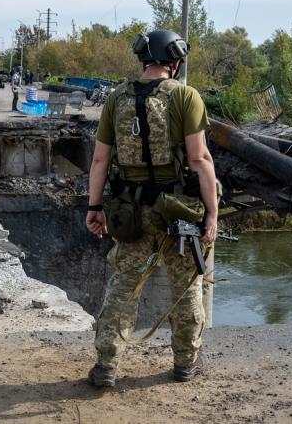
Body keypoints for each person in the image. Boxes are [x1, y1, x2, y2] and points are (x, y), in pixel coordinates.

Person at [85, 29, 220, 388]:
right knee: (187, 287)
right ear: (174, 61)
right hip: (179, 214)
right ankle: (185, 364)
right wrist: (212, 214)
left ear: (145, 59)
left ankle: (106, 367)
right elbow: (200, 158)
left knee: (123, 288)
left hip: (131, 213)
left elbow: (100, 159)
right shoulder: (187, 97)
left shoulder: (116, 98)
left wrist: (94, 206)